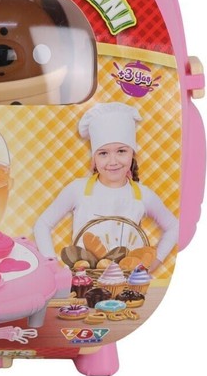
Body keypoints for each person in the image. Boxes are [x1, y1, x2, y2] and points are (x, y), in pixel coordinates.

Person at [33, 102, 178, 272]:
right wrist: (52, 266)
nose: (113, 161)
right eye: (103, 153)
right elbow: (42, 224)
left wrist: (156, 261)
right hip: (87, 279)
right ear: (94, 158)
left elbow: (174, 226)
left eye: (121, 151)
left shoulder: (143, 195)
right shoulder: (77, 190)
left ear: (132, 153)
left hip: (128, 282)